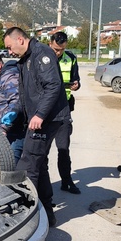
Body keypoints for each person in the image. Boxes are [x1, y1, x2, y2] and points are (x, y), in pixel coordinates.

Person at [3, 27, 71, 227]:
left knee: (27, 166)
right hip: (44, 118)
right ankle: (47, 215)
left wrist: (40, 114)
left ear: (21, 40)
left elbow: (53, 86)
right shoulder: (28, 57)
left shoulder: (42, 54)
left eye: (9, 47)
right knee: (39, 165)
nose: (9, 52)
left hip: (48, 118)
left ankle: (27, 219)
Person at [49, 31, 81, 194]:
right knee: (41, 153)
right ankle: (43, 188)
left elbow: (76, 79)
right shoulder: (43, 59)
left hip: (64, 109)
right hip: (45, 111)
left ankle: (66, 181)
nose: (58, 53)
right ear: (50, 44)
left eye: (61, 50)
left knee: (63, 149)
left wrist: (76, 85)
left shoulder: (71, 58)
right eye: (55, 49)